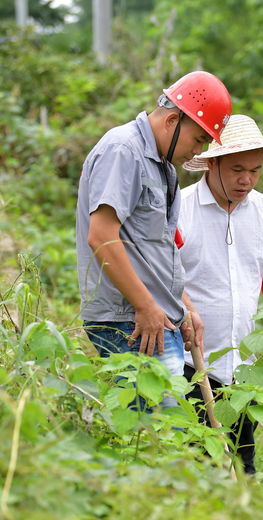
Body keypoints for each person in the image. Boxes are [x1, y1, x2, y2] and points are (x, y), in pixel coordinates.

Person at [76, 71, 231, 407]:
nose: (197, 151)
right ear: (173, 120)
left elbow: (156, 251)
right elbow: (101, 235)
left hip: (155, 317)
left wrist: (184, 307)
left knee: (164, 433)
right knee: (157, 435)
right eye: (199, 140)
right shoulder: (123, 150)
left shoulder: (164, 168)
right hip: (129, 319)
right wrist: (146, 306)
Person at [179, 114, 263, 472]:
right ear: (213, 163)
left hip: (244, 369)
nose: (246, 180)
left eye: (255, 171)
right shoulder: (180, 208)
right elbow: (162, 275)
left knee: (243, 464)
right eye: (237, 168)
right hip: (190, 364)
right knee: (199, 465)